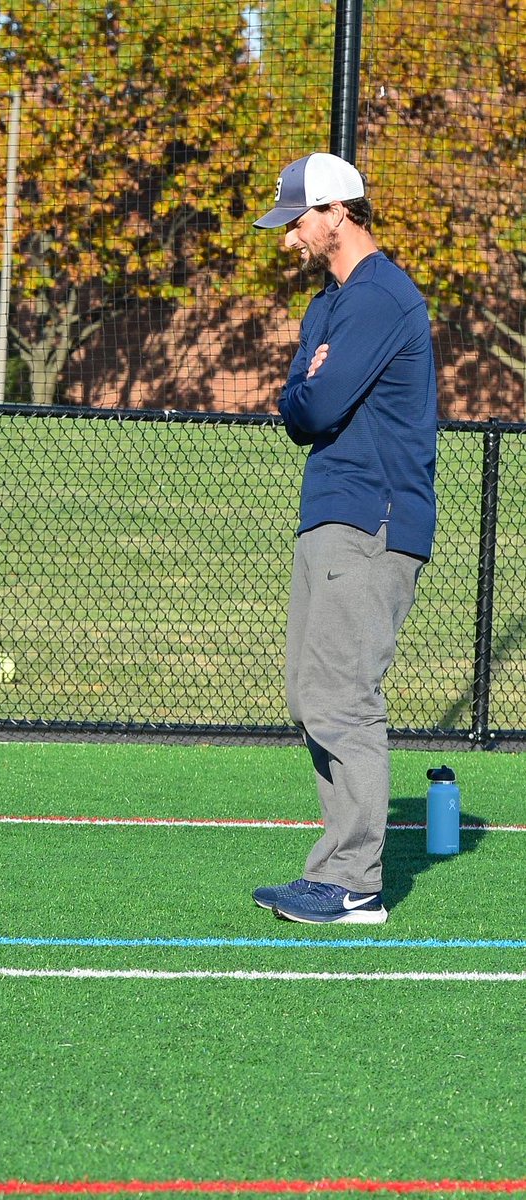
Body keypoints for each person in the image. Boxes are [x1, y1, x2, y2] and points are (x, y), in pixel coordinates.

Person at [250, 152, 438, 925]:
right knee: (309, 693)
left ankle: (353, 882)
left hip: (372, 517)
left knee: (342, 696)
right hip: (329, 510)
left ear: (336, 212)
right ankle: (339, 871)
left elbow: (319, 404)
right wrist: (306, 386)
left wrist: (308, 388)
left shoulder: (379, 298)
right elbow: (298, 409)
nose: (287, 234)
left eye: (295, 218)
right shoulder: (327, 306)